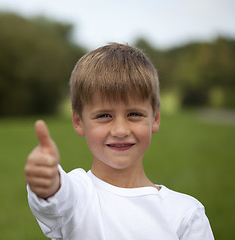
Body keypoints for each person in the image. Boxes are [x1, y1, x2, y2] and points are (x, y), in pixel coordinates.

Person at [25, 43, 214, 240]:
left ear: (155, 118)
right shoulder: (77, 196)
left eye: (134, 114)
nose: (120, 130)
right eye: (104, 115)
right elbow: (57, 199)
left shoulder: (186, 214)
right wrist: (47, 181)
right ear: (78, 121)